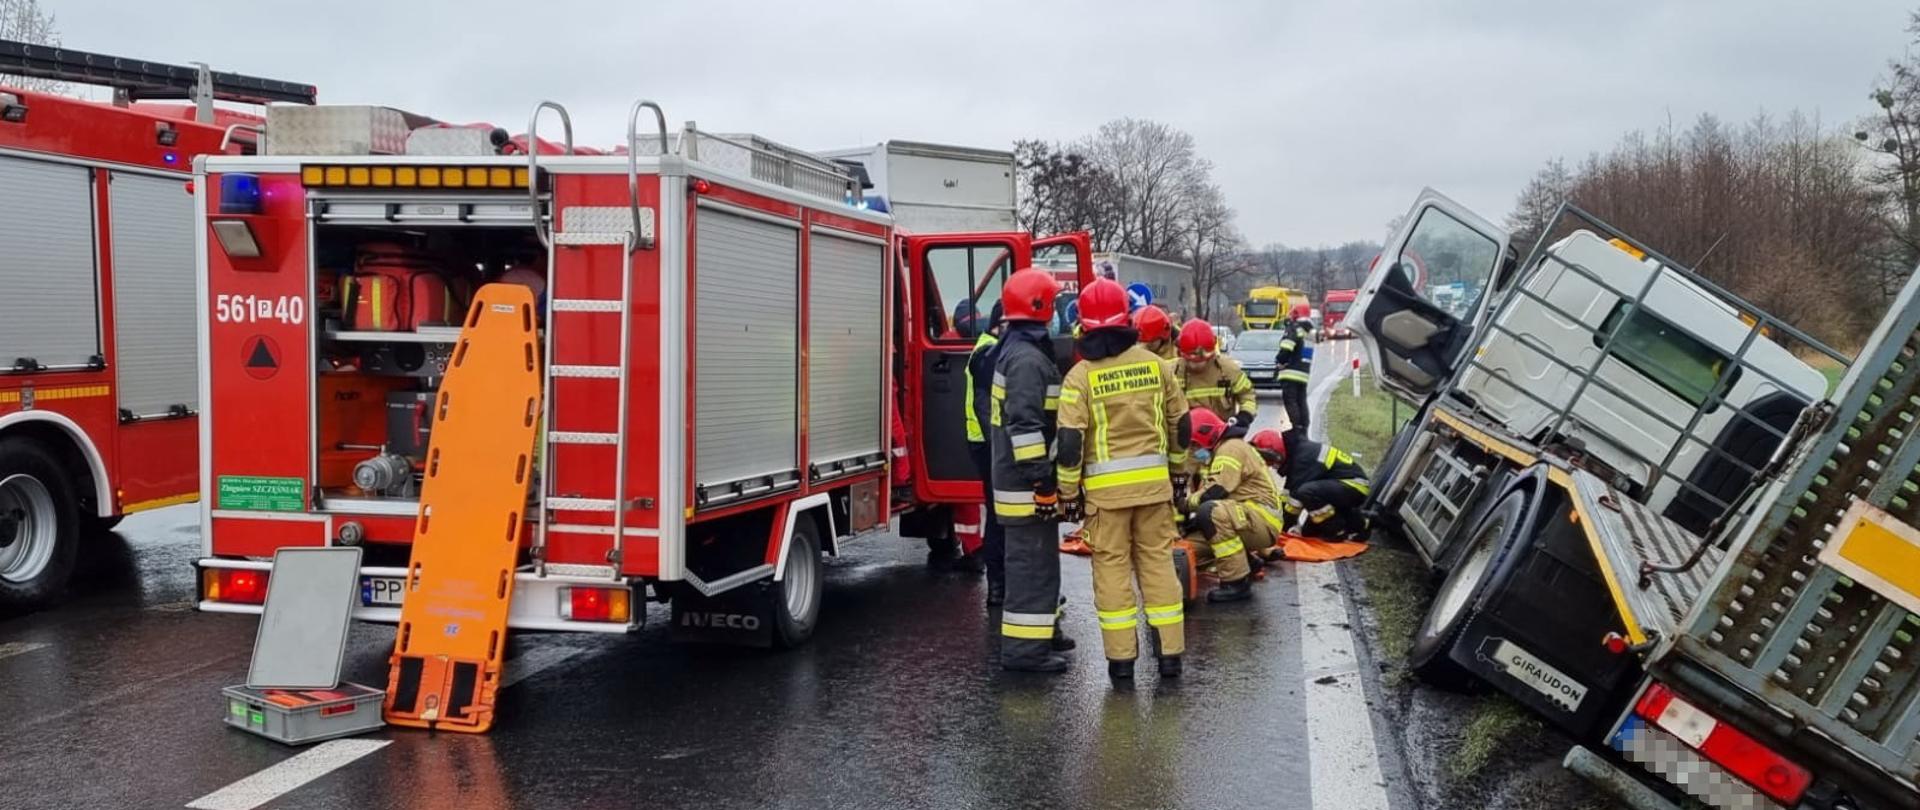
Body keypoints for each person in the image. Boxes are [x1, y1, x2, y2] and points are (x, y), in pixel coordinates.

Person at [1055, 279, 1192, 681]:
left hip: (1104, 497)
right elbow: (1181, 424)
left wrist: (1067, 493)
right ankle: (1170, 656)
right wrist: (1178, 470)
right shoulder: (1155, 365)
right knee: (1157, 564)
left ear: (1083, 324)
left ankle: (1121, 663)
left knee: (1112, 570)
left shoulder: (1079, 377)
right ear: (1126, 318)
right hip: (1154, 490)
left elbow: (1068, 443)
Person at [990, 268, 1076, 672]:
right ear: (1040, 307)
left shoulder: (1018, 349)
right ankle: (1026, 654)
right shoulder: (1026, 359)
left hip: (1020, 482)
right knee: (1031, 570)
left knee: (1040, 566)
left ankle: (1042, 637)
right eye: (1055, 303)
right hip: (1025, 486)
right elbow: (1024, 427)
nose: (1060, 311)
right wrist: (1042, 480)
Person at [1182, 410, 1287, 602]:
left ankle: (1236, 582)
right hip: (1245, 518)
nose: (1194, 449)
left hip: (1262, 519)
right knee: (1188, 548)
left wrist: (1185, 505)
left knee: (1210, 512)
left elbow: (1215, 492)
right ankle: (1247, 561)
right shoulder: (1220, 451)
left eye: (1195, 444)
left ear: (1208, 434)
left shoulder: (1230, 449)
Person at [1249, 429, 1372, 540]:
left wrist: (1283, 527)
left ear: (1276, 454)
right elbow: (1288, 494)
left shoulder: (1302, 458)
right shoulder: (1297, 453)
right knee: (1309, 533)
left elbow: (1295, 499)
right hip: (1342, 487)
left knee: (1307, 492)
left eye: (1269, 461)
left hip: (1354, 485)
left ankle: (1337, 531)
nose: (1269, 465)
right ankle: (1360, 524)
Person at [964, 303, 1006, 600]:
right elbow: (985, 406)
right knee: (998, 515)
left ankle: (1000, 585)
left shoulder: (986, 349)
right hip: (988, 444)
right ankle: (999, 585)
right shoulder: (988, 354)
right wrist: (1000, 450)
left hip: (984, 442)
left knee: (998, 514)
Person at [1176, 318, 1257, 428]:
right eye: (1190, 361)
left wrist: (1245, 416)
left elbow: (1247, 394)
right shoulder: (1172, 373)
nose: (1195, 365)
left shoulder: (1228, 370)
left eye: (1201, 361)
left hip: (1223, 434)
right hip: (1186, 438)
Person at [1274, 303, 1315, 436]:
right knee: (1301, 401)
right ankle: (1303, 427)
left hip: (1290, 371)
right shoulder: (1309, 332)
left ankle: (1296, 428)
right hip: (1303, 373)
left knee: (1290, 401)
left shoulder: (1294, 329)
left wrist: (1280, 361)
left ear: (1295, 315)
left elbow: (1287, 347)